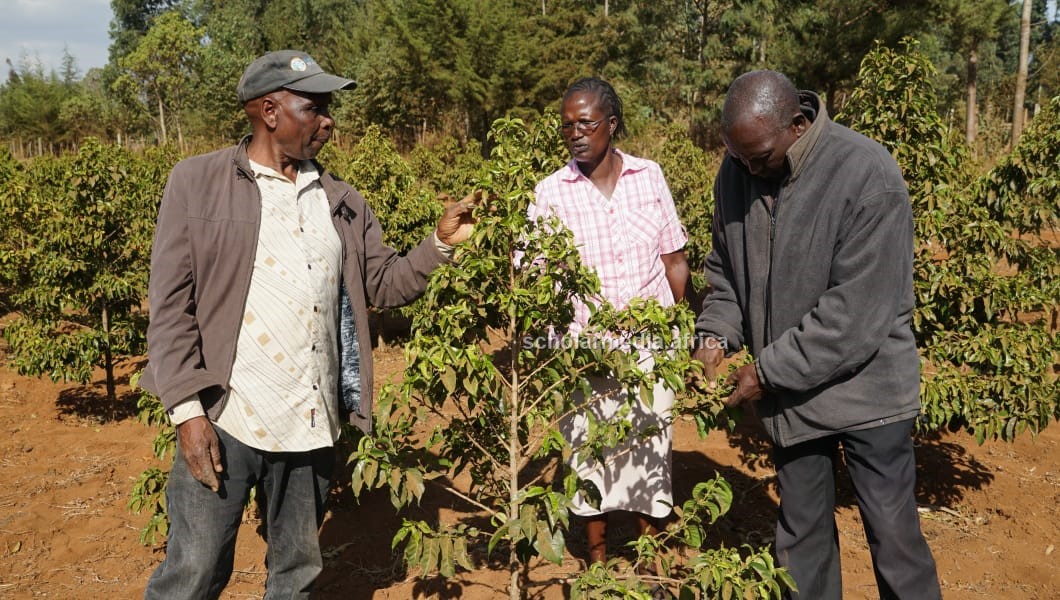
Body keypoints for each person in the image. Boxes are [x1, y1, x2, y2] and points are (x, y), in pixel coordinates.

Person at [138, 49, 474, 599]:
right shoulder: (196, 183)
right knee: (193, 572)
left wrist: (439, 245)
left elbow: (383, 284)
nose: (328, 120)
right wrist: (186, 411)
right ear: (269, 111)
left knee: (296, 575)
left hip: (310, 420)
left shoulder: (341, 201)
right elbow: (171, 305)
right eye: (315, 107)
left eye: (329, 108)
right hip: (226, 415)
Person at [692, 70, 941, 599]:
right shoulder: (737, 170)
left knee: (894, 541)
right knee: (801, 543)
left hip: (869, 392)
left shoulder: (866, 173)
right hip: (795, 399)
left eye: (758, 156)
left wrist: (764, 372)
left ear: (798, 124)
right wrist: (714, 335)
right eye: (736, 156)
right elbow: (725, 272)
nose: (747, 169)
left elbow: (854, 317)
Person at [529, 77, 691, 567]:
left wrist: (681, 331)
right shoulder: (551, 192)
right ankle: (597, 564)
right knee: (588, 458)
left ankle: (650, 560)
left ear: (611, 125)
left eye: (586, 123)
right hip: (585, 352)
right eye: (567, 126)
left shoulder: (649, 176)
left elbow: (675, 259)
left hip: (649, 349)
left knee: (650, 455)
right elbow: (534, 274)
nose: (575, 134)